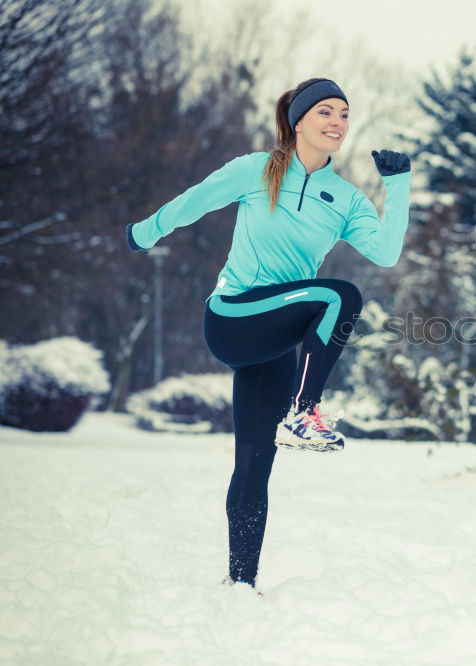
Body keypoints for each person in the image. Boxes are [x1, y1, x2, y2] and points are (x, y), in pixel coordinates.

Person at [124, 77, 411, 590]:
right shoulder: (255, 170)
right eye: (325, 111)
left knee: (255, 463)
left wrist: (399, 186)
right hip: (233, 316)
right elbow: (194, 202)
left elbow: (386, 254)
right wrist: (144, 233)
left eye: (344, 115)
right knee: (338, 296)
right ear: (298, 120)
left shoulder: (345, 199)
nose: (337, 123)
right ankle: (305, 413)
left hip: (275, 338)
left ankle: (239, 585)